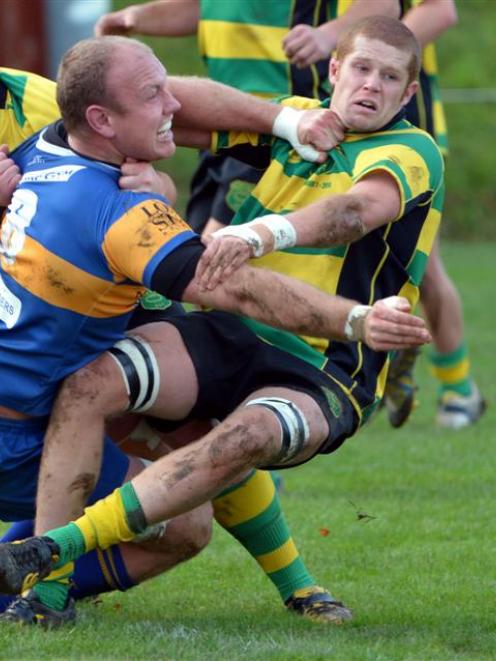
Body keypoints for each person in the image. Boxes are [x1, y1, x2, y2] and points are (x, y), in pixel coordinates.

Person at [0, 17, 440, 628]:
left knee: (228, 431)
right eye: (361, 68)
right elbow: (226, 284)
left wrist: (275, 158)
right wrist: (357, 316)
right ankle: (42, 578)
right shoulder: (114, 203)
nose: (371, 85)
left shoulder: (38, 130)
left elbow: (354, 209)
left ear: (410, 92)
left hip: (316, 361)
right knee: (183, 518)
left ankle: (45, 560)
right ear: (334, 71)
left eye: (390, 76)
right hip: (48, 414)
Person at [95, 0, 399, 236]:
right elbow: (206, 8)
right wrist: (135, 18)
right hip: (217, 117)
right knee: (201, 249)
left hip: (278, 128)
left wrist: (326, 35)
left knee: (214, 253)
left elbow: (386, 5)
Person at [383, 0, 486, 429]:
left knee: (422, 264)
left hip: (408, 119)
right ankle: (378, 372)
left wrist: (370, 60)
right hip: (337, 111)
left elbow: (440, 11)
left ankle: (459, 389)